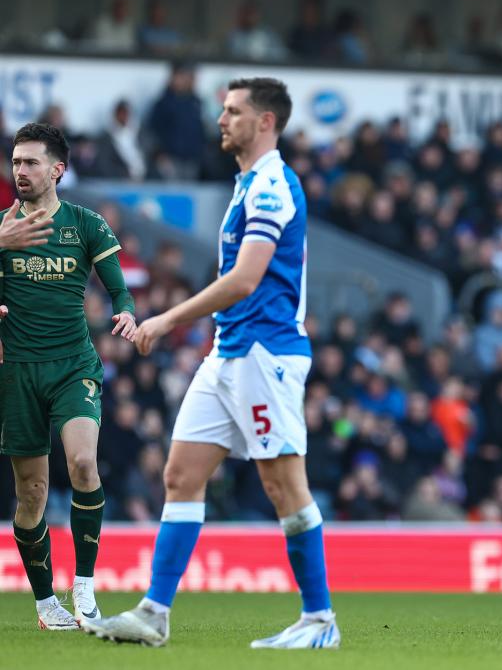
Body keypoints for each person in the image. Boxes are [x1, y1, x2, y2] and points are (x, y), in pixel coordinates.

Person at [82, 78, 339, 649]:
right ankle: (154, 613)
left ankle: (320, 621)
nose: (221, 120)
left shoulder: (271, 186)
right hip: (229, 352)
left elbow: (246, 280)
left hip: (265, 352)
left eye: (233, 111)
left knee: (282, 485)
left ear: (266, 121)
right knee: (180, 476)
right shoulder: (246, 183)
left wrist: (165, 319)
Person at [0, 123, 137, 630]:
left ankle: (84, 586)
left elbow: (119, 289)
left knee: (82, 463)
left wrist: (126, 311)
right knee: (32, 493)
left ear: (58, 169)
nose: (21, 171)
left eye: (31, 162)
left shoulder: (85, 224)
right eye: (16, 162)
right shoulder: (1, 228)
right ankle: (45, 604)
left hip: (72, 366)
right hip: (16, 373)